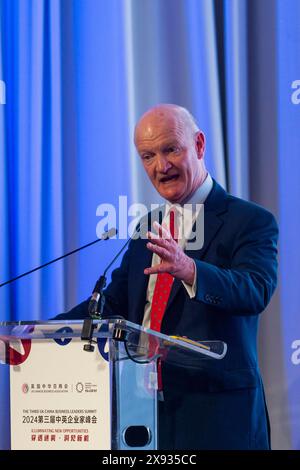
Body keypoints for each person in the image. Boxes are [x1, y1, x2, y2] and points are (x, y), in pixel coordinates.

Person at [56, 104, 278, 449]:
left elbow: (255, 290)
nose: (161, 166)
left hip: (216, 415)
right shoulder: (147, 226)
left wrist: (189, 269)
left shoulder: (250, 221)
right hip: (143, 409)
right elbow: (113, 303)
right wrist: (40, 335)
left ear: (200, 145)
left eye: (171, 149)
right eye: (148, 156)